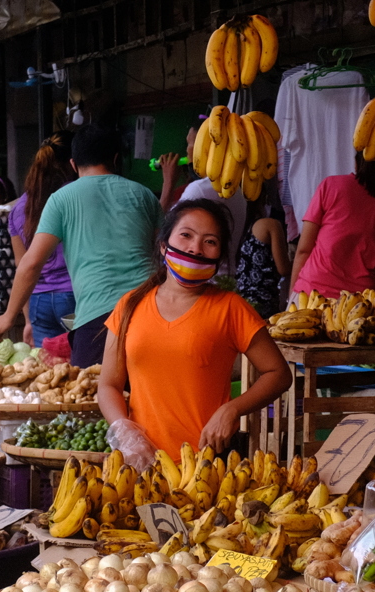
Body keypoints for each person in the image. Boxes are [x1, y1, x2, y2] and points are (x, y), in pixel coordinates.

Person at [97, 200, 291, 467]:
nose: (195, 249)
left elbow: (279, 373)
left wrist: (231, 410)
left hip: (207, 465)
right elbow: (108, 385)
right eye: (186, 235)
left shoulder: (230, 308)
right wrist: (126, 434)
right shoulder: (130, 305)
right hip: (142, 463)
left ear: (220, 255)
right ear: (163, 245)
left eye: (209, 241)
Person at [0, 124, 162, 367]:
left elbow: (32, 262)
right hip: (150, 310)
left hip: (98, 316)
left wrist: (9, 315)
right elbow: (161, 251)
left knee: (94, 397)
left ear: (73, 164)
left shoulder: (62, 198)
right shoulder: (144, 195)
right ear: (117, 159)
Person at [290, 151, 375, 298]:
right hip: (359, 305)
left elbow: (303, 250)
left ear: (356, 163)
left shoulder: (330, 186)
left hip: (310, 295)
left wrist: (292, 296)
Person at [8, 132, 77, 346]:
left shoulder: (18, 208)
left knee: (48, 373)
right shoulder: (75, 197)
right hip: (74, 295)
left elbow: (23, 265)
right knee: (85, 372)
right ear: (73, 163)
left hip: (39, 302)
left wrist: (28, 319)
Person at [160, 121, 248, 275]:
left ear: (207, 147)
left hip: (201, 279)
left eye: (191, 143)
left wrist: (169, 181)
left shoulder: (200, 188)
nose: (187, 150)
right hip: (225, 277)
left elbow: (165, 228)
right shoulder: (235, 188)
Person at [235, 195, 291, 318]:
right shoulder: (270, 224)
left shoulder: (240, 229)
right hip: (263, 303)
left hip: (240, 302)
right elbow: (284, 269)